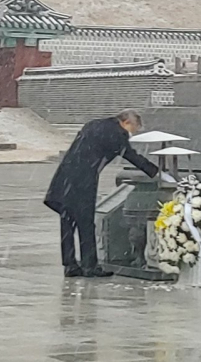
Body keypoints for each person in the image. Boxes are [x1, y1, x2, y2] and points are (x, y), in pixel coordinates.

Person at [44, 109, 165, 278]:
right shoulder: (117, 134)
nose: (131, 134)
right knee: (86, 224)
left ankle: (70, 264)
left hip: (65, 177)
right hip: (83, 182)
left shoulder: (93, 124)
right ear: (127, 122)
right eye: (134, 129)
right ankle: (90, 266)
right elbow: (131, 155)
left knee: (67, 222)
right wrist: (156, 172)